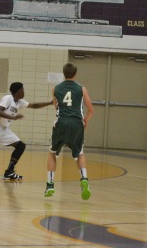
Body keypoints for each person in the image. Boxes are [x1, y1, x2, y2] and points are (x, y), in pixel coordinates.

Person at [45, 62, 94, 200]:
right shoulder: (82, 89)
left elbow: (56, 106)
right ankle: (84, 178)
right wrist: (86, 120)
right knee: (79, 153)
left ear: (64, 73)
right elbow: (91, 109)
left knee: (52, 153)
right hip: (77, 123)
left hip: (61, 122)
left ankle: (50, 185)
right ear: (75, 74)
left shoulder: (55, 89)